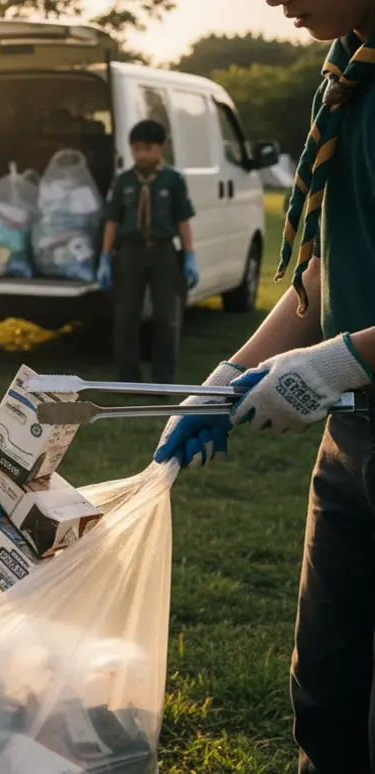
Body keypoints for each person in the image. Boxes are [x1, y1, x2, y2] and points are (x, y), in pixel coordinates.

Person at [157, 3, 375, 770]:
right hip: (353, 443)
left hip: (358, 394)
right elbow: (326, 265)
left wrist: (339, 361)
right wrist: (226, 378)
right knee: (325, 699)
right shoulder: (345, 76)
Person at [98, 119, 198, 384]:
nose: (141, 155)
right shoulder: (124, 182)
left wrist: (189, 255)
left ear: (160, 147)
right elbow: (112, 221)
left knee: (166, 318)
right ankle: (127, 376)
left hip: (163, 252)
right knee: (126, 317)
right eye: (136, 149)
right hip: (130, 253)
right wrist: (106, 257)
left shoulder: (172, 180)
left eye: (147, 148)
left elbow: (183, 220)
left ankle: (163, 377)